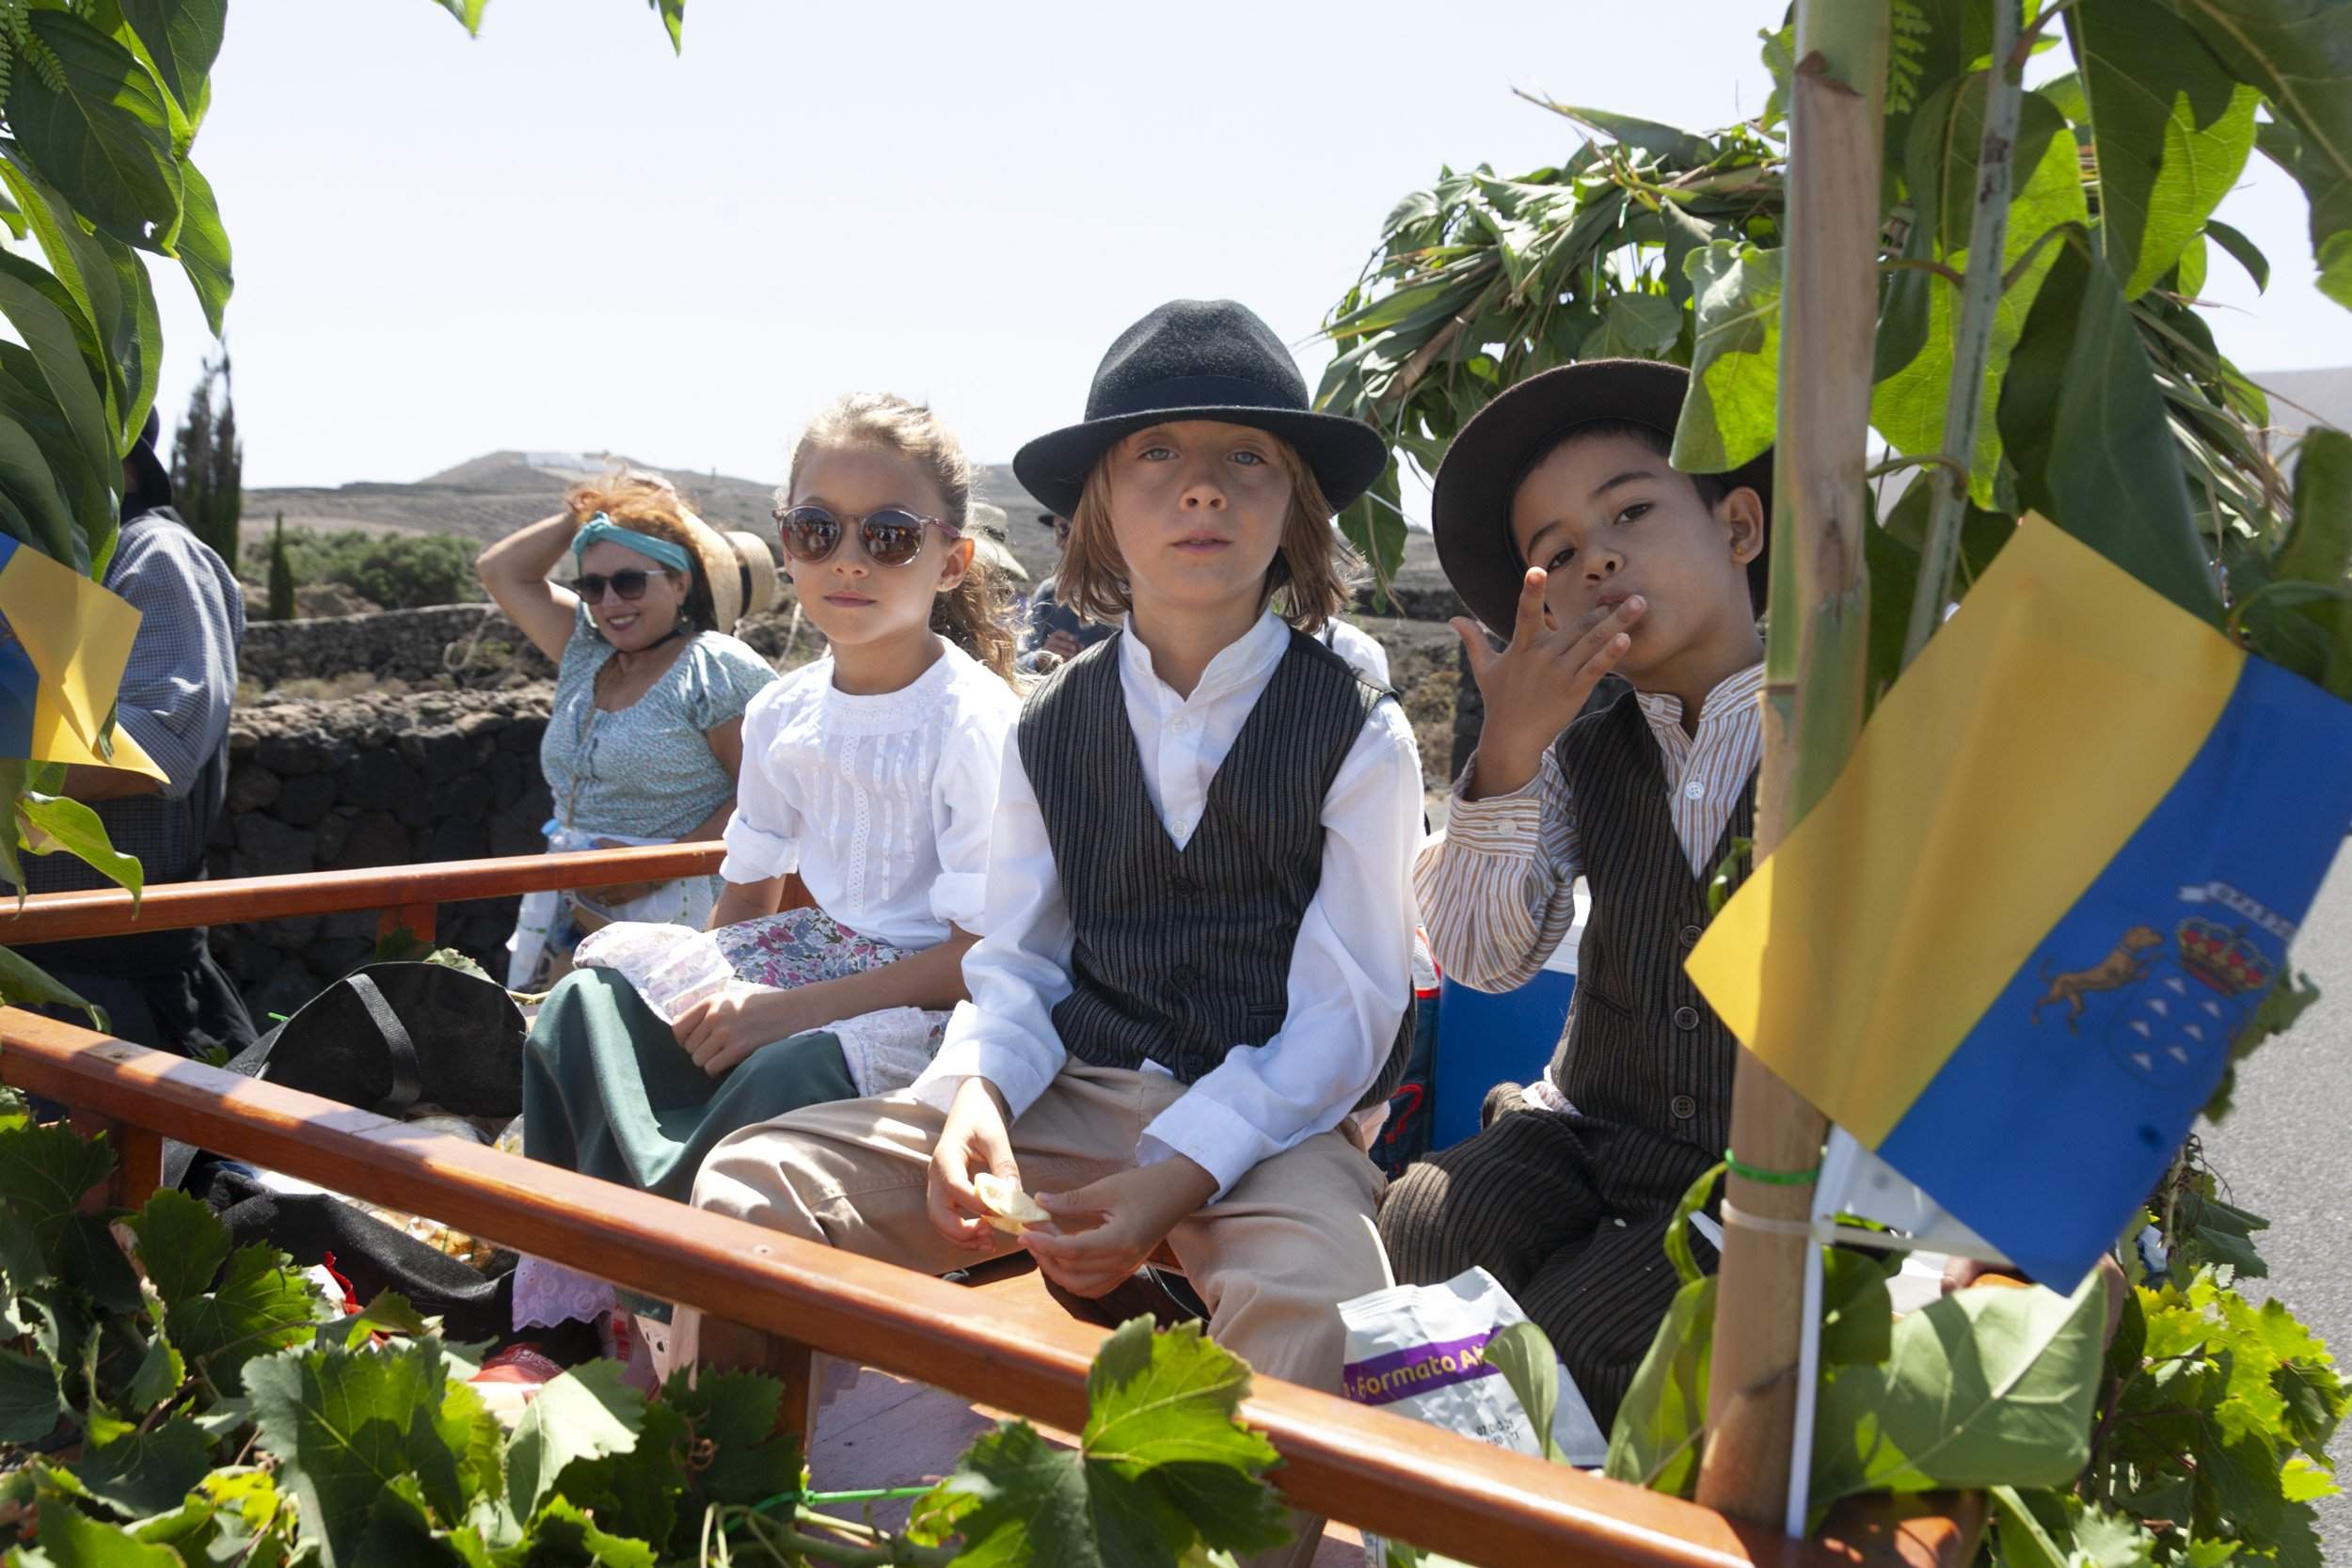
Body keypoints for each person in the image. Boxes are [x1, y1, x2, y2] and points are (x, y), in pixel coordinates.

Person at [683, 301, 1424, 1568]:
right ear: (1098, 514)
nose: (1201, 485)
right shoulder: (1050, 725)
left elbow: (1349, 1012)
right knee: (748, 1188)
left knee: (1316, 1302)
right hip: (1066, 1089)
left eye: (1246, 455)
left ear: (1296, 507)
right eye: (1155, 455)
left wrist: (1179, 1169)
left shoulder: (1359, 728)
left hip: (1269, 1114)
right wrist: (973, 1092)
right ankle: (757, 1529)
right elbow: (1017, 958)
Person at [509, 393, 1023, 1335]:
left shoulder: (974, 721)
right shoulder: (785, 710)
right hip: (812, 954)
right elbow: (742, 899)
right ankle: (574, 1288)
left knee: (782, 1072)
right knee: (587, 1006)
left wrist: (781, 1012)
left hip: (931, 994)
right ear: (786, 545)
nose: (849, 560)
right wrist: (700, 1001)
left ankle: (670, 1309)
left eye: (891, 535)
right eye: (818, 529)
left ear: (951, 560)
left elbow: (977, 954)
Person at [1378, 358, 1772, 1431]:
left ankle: (1564, 1509)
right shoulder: (1573, 743)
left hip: (1768, 1167)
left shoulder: (1838, 719)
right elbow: (1484, 957)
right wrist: (1505, 750)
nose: (1593, 554)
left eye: (1632, 511)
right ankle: (1477, 1479)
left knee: (1581, 1329)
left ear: (1739, 526)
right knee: (1423, 1218)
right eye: (1554, 552)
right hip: (1597, 1122)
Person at [12, 410, 256, 1069]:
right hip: (31, 963)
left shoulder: (153, 555)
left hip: (113, 983)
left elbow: (157, 741)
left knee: (119, 1166)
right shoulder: (40, 567)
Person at [475, 471, 779, 989]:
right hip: (566, 895)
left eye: (630, 581)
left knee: (630, 1054)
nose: (611, 601)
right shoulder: (587, 654)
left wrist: (653, 867)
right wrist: (590, 510)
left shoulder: (714, 668)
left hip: (666, 905)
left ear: (680, 583)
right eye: (592, 586)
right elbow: (499, 570)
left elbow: (766, 795)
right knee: (550, 1045)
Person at [1016, 509, 1115, 672]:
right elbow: (1019, 664)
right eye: (1061, 530)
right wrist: (1041, 658)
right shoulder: (1049, 593)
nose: (1062, 542)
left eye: (1067, 528)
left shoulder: (1135, 593)